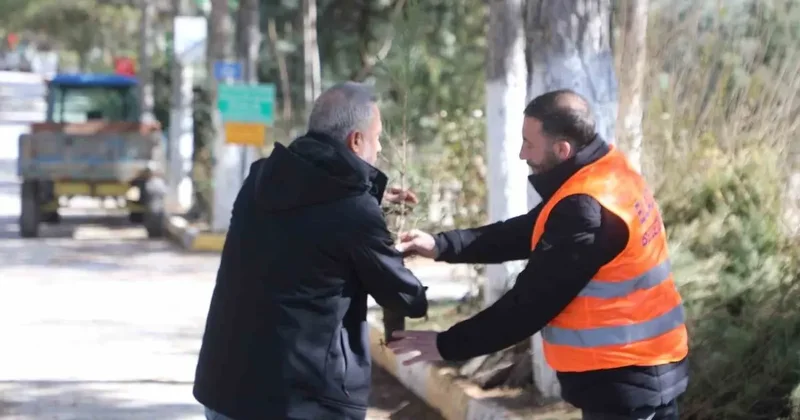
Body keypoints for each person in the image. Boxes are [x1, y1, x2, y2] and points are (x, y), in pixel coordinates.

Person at [388, 89, 689, 420]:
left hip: (626, 377)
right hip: (642, 370)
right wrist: (442, 245)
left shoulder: (584, 206)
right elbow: (528, 231)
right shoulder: (607, 173)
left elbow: (529, 305)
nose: (521, 153)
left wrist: (447, 345)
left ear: (562, 149)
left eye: (529, 144)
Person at [193, 81, 429, 420]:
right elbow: (406, 298)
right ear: (356, 140)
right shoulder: (353, 210)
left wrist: (372, 197)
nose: (379, 150)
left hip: (225, 392)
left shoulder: (259, 180)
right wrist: (400, 254)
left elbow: (309, 219)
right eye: (377, 138)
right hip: (303, 404)